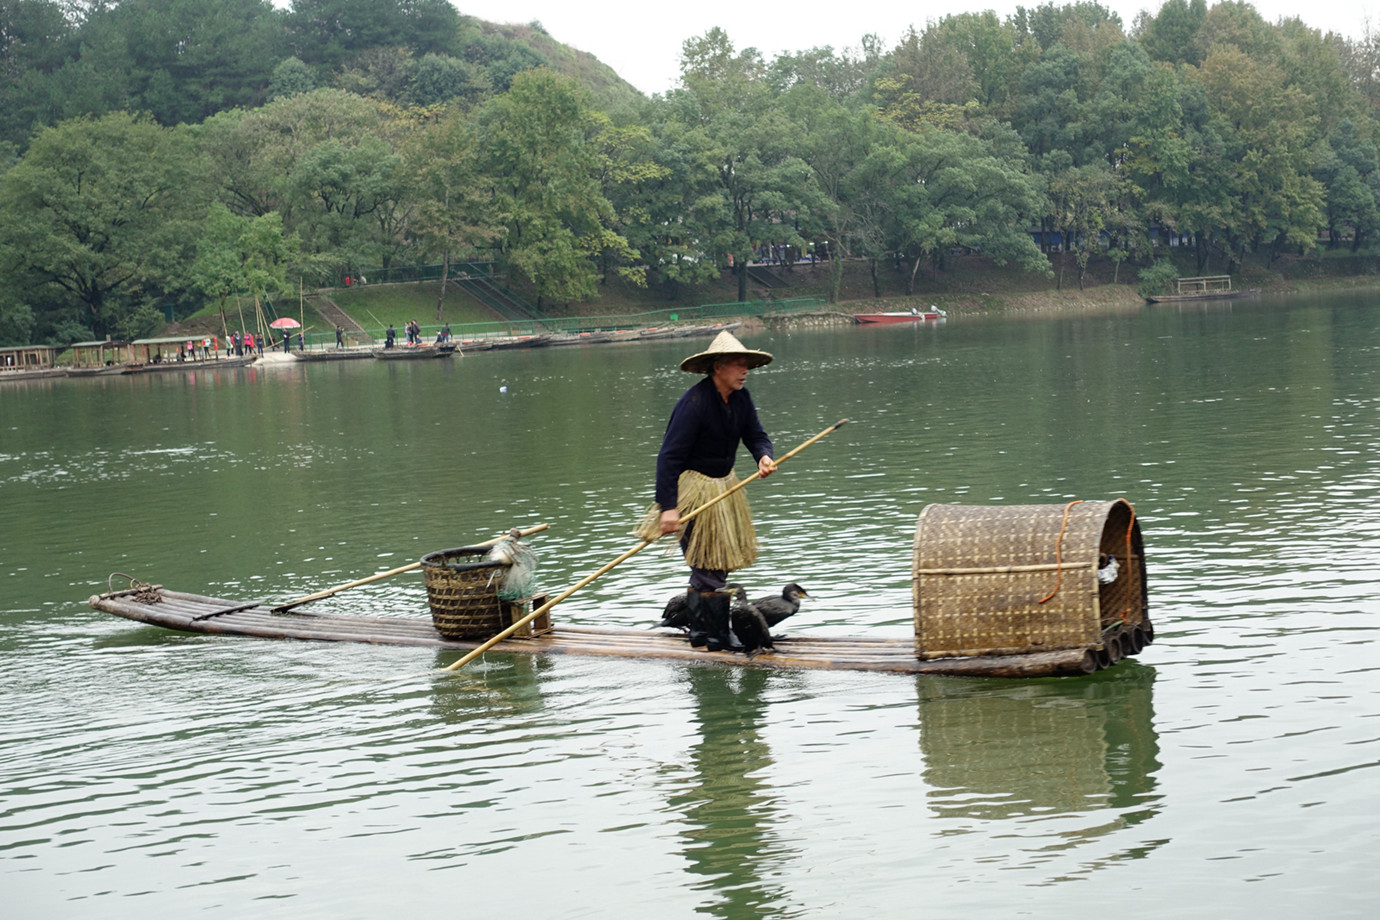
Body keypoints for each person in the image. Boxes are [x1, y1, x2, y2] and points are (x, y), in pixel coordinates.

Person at [635, 331, 776, 651]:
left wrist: (764, 456)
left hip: (725, 486)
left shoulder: (742, 398)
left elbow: (756, 435)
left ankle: (704, 634)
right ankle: (714, 637)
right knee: (706, 562)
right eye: (738, 365)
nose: (744, 371)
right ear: (718, 367)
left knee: (718, 562)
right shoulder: (694, 403)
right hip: (694, 489)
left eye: (747, 366)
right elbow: (669, 458)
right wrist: (668, 508)